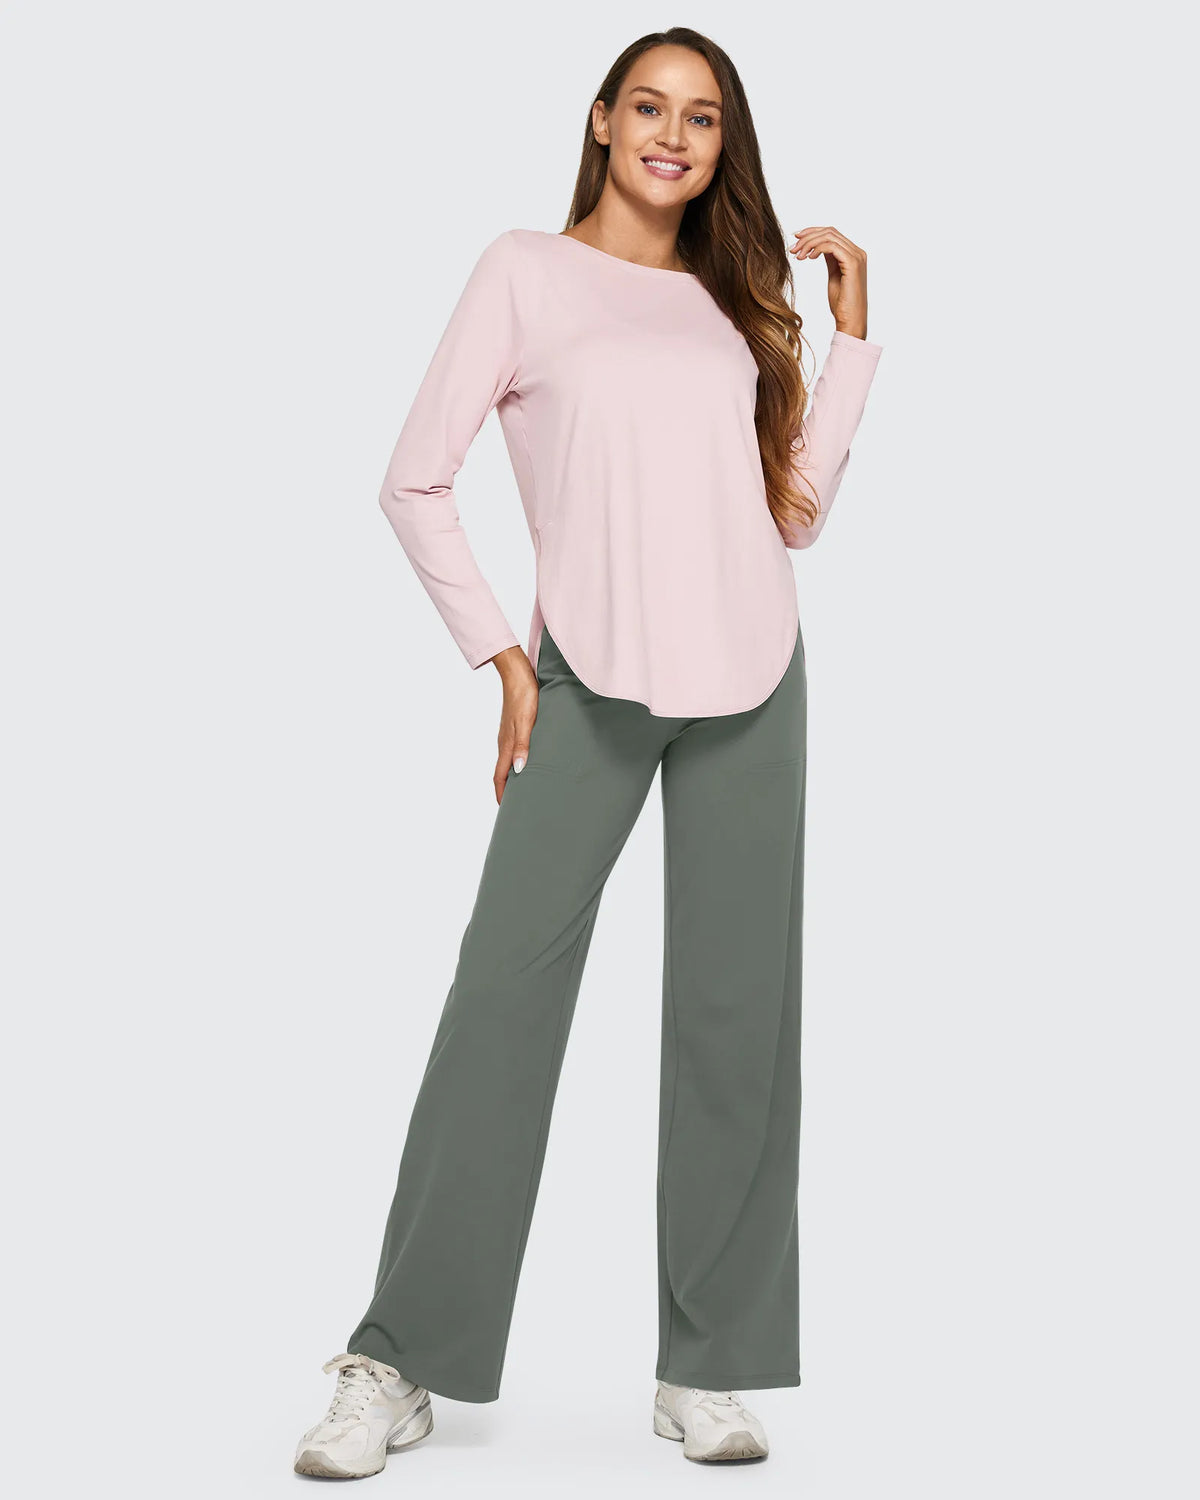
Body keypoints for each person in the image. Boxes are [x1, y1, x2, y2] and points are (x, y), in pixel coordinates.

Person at [294, 25, 883, 1477]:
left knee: (740, 1020)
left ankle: (713, 1364)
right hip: (592, 680)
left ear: (723, 145)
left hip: (756, 676)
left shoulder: (732, 305)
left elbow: (791, 516)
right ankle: (398, 1357)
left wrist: (849, 344)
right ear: (604, 120)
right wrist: (502, 658)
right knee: (502, 999)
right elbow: (413, 479)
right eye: (652, 108)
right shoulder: (524, 272)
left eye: (704, 116)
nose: (675, 135)